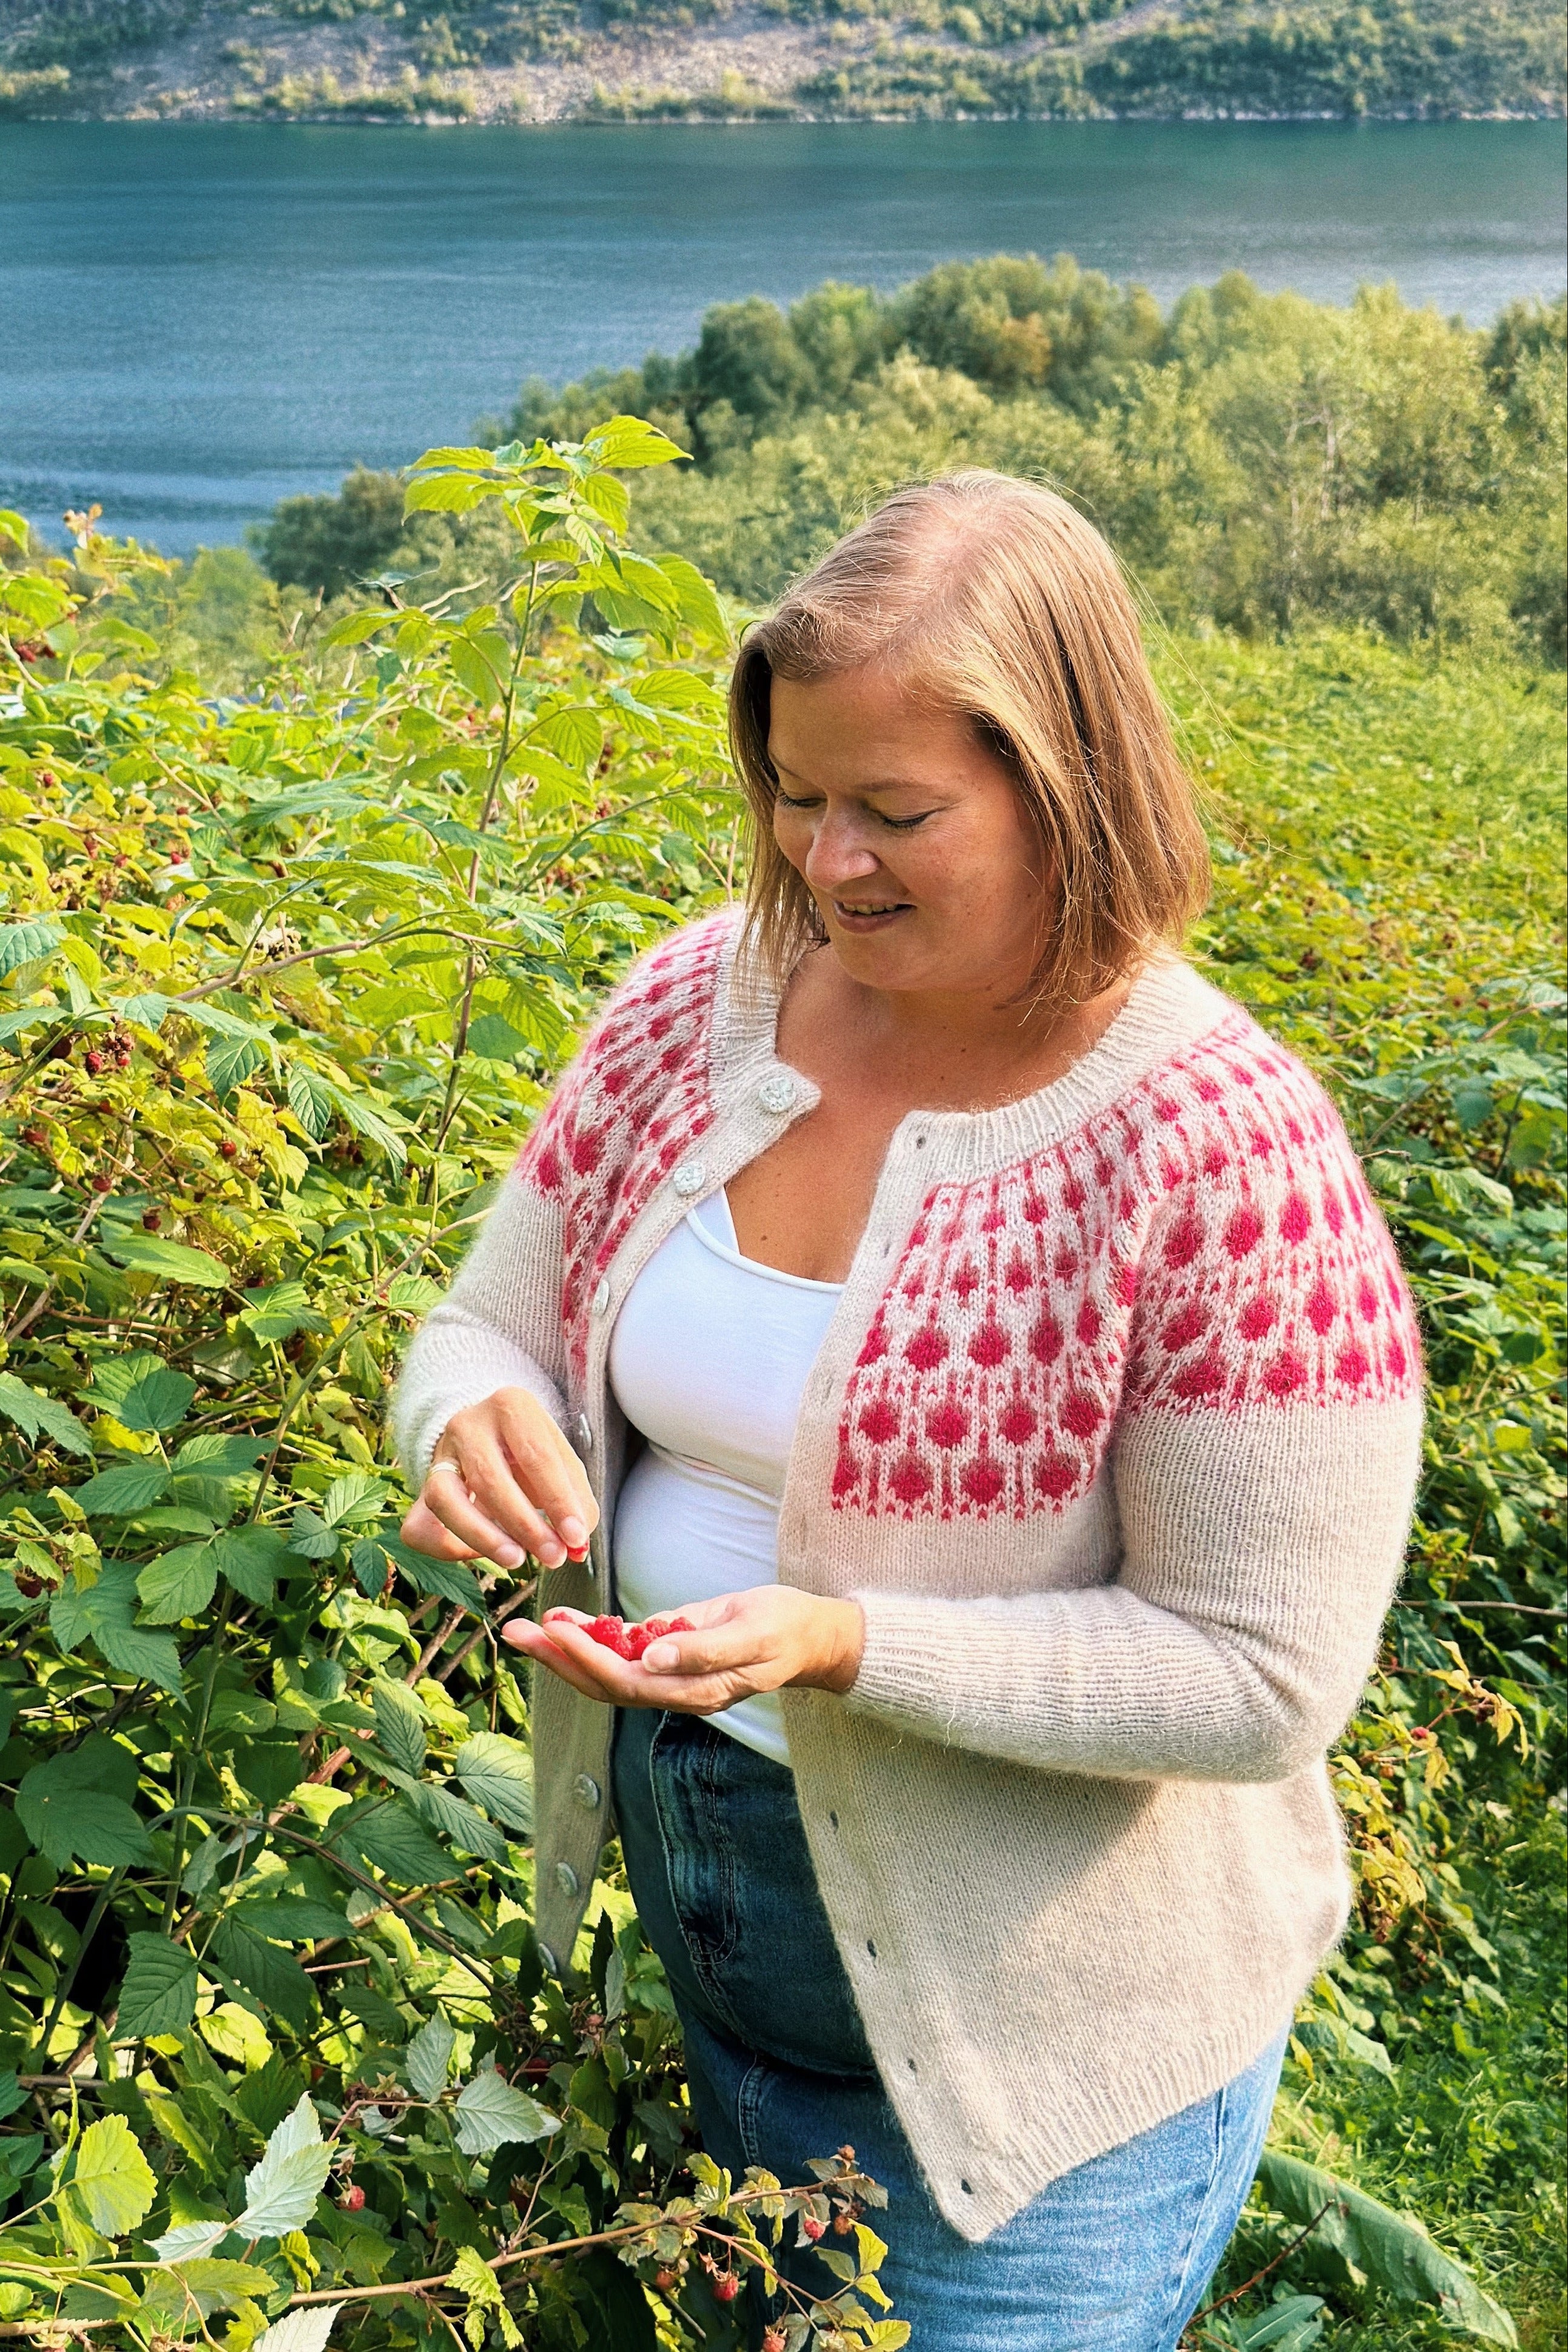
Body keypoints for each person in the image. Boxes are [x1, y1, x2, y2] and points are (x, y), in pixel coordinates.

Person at [394, 472, 1423, 2350]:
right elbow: (488, 1321)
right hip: (731, 1949)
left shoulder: (1219, 1147)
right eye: (793, 796)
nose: (823, 862)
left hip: (1052, 2047)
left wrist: (848, 1645)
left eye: (894, 812)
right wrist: (463, 1422)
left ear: (1068, 786)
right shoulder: (696, 1004)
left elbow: (1263, 1678)